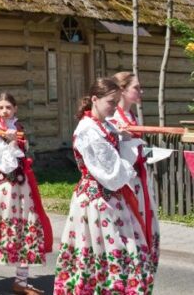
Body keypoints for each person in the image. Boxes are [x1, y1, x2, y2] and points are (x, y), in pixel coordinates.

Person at [53, 78, 153, 294]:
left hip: (112, 201)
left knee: (130, 257)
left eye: (117, 101)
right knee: (106, 258)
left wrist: (122, 137)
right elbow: (113, 176)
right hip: (96, 203)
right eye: (111, 101)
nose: (114, 107)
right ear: (95, 100)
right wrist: (129, 146)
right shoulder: (88, 131)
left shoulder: (104, 125)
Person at [0, 93, 51, 295]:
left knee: (26, 229)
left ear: (15, 108)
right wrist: (11, 144)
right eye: (1, 107)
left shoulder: (19, 128)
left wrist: (18, 142)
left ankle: (21, 280)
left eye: (8, 107)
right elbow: (6, 165)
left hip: (22, 188)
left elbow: (25, 154)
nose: (5, 111)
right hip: (4, 190)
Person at [108, 71, 160, 276]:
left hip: (139, 179)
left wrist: (150, 153)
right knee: (129, 231)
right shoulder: (114, 118)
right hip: (125, 182)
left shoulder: (131, 115)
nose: (141, 91)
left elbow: (137, 148)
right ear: (122, 90)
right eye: (136, 87)